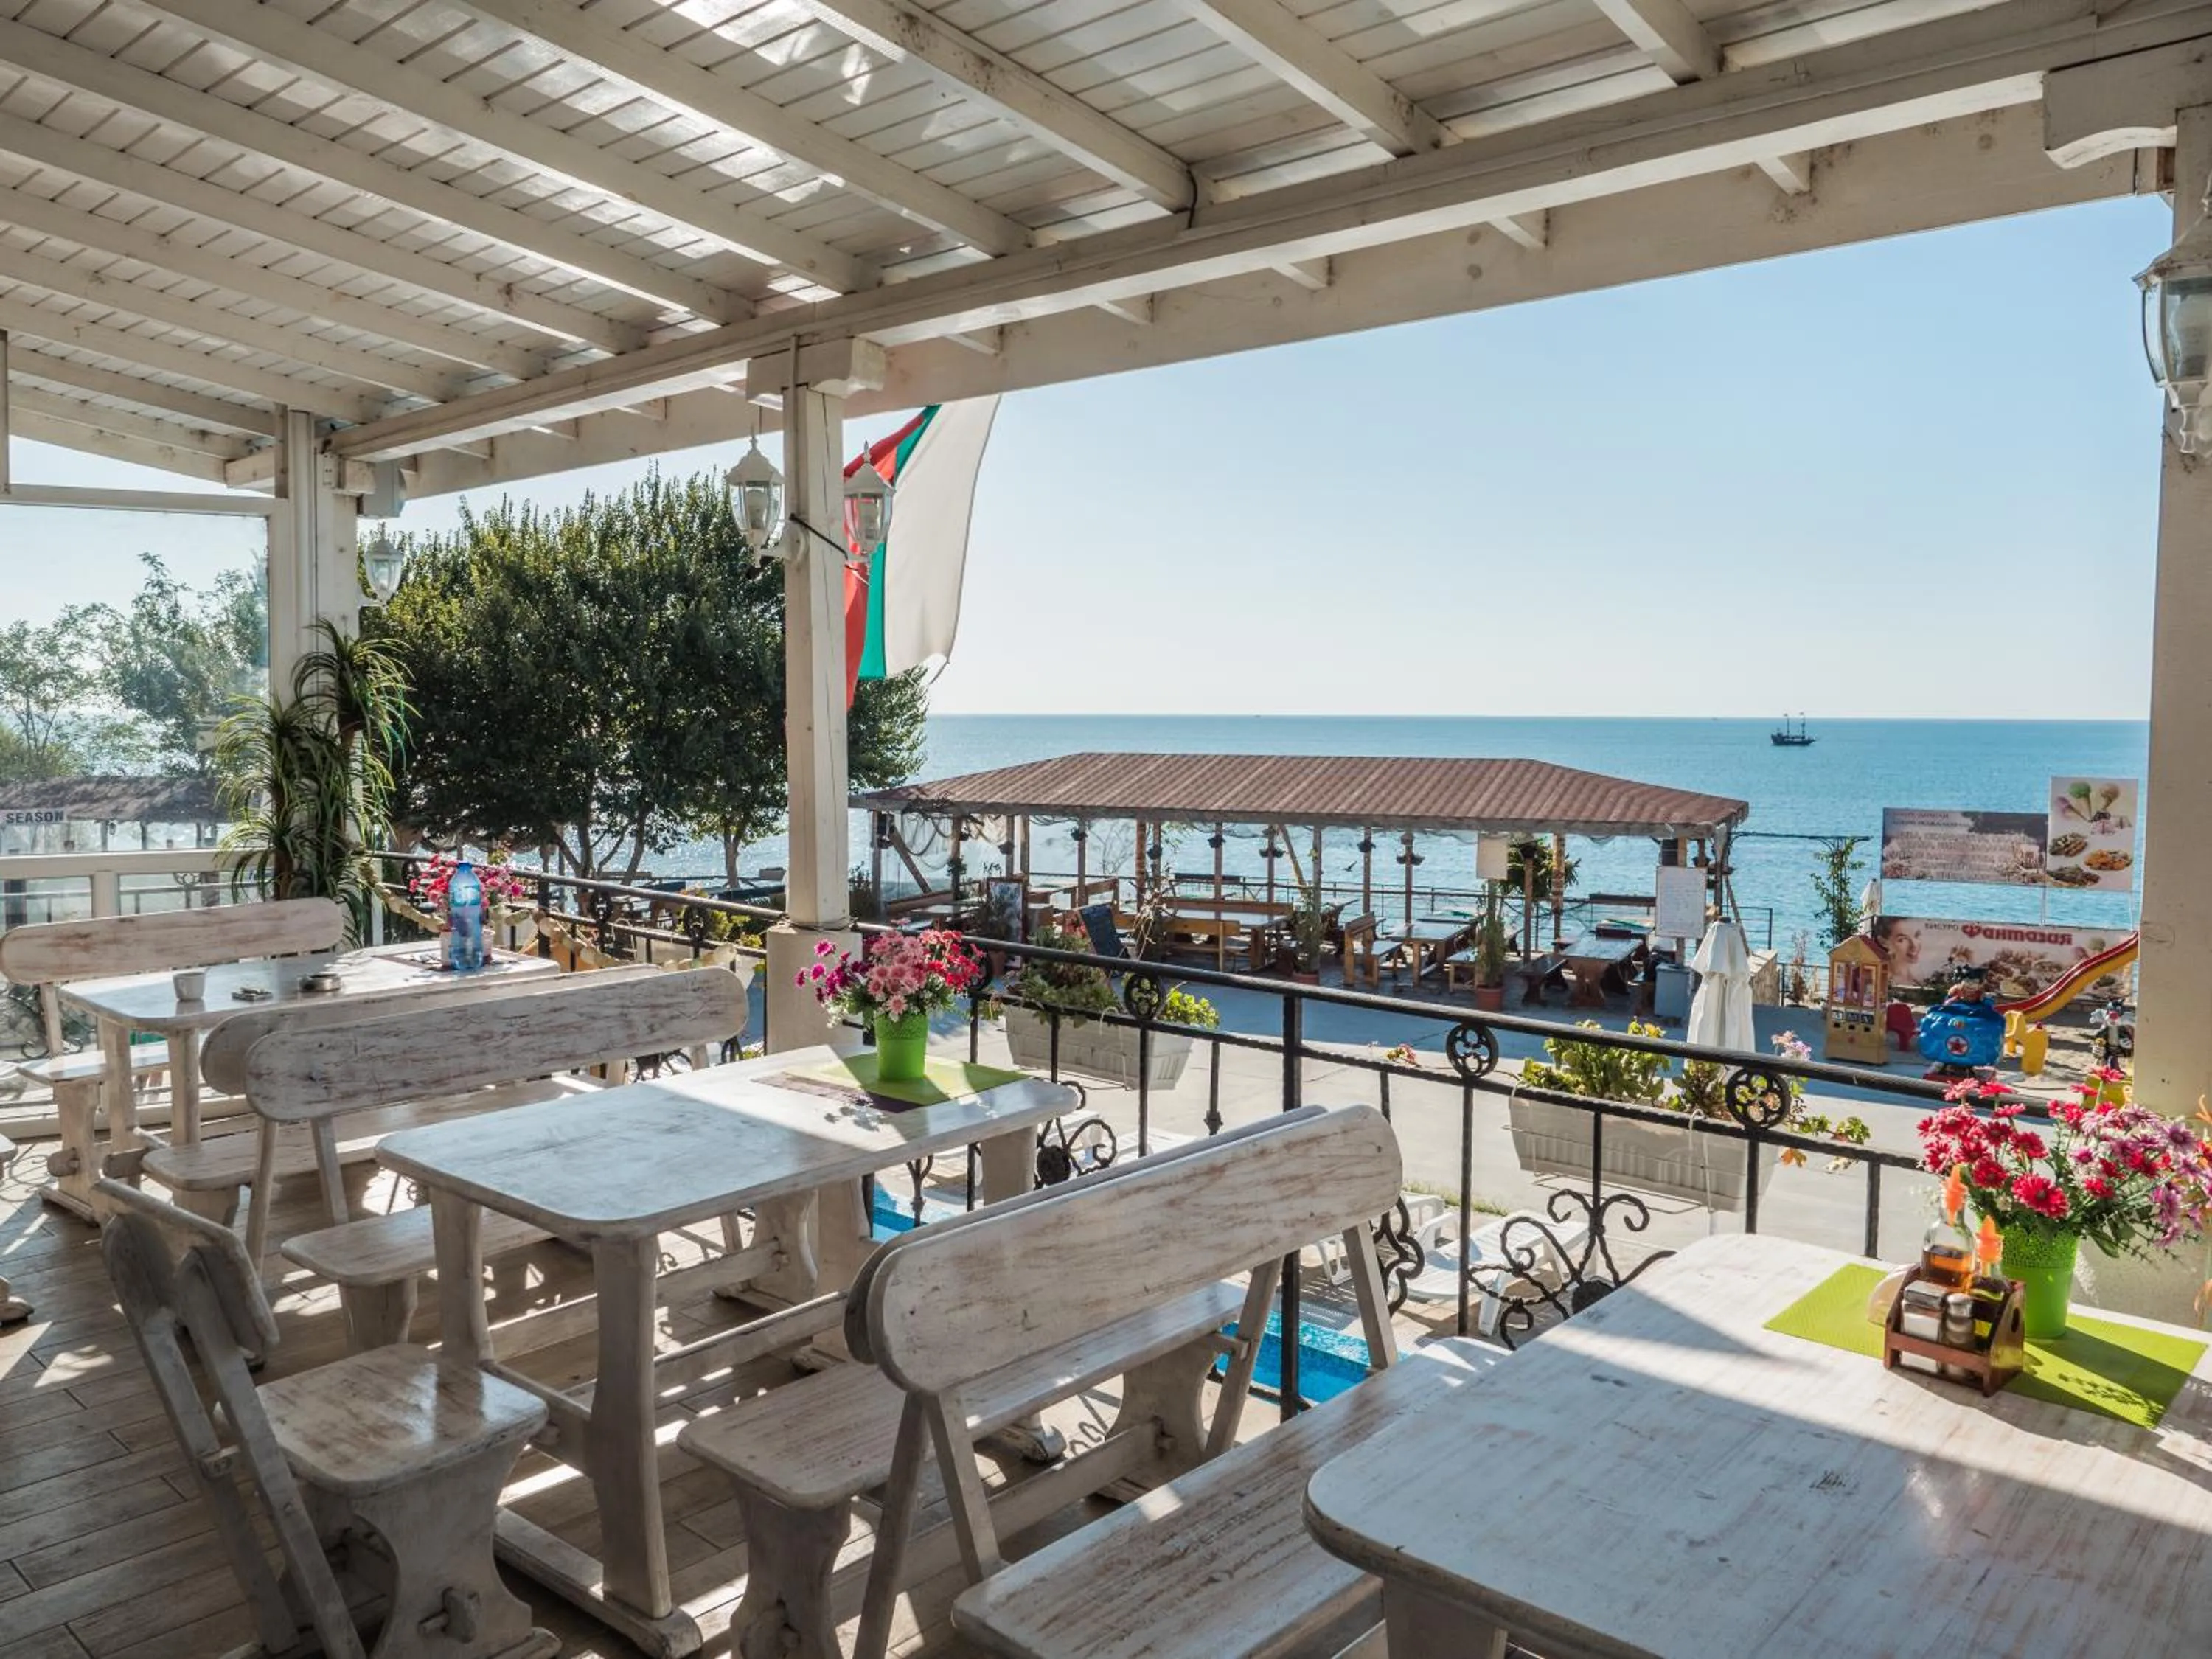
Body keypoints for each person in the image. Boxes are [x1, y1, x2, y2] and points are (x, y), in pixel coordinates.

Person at [1916, 964, 2006, 1078]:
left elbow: (1989, 1018)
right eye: (1968, 982)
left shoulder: (1984, 1004)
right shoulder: (1953, 1002)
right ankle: (1945, 1062)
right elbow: (1942, 1012)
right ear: (1960, 986)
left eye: (1975, 983)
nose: (1971, 988)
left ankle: (1969, 1064)